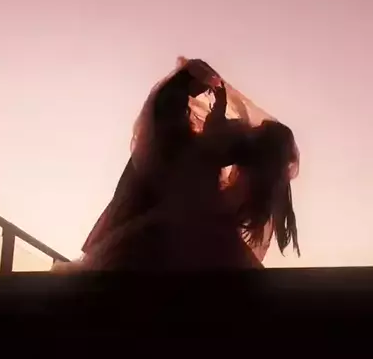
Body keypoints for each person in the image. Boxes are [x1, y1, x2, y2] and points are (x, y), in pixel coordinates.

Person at [53, 57, 300, 271]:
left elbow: (162, 124)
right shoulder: (216, 179)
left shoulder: (198, 155)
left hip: (157, 244)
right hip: (176, 241)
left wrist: (186, 82)